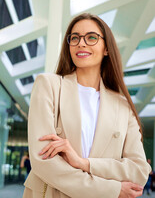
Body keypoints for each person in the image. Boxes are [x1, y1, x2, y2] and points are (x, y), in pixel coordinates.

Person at [23, 13, 151, 198]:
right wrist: (112, 189)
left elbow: (139, 171)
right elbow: (43, 161)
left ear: (106, 48)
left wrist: (84, 163)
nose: (81, 43)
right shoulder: (49, 85)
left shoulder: (122, 106)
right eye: (74, 38)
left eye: (91, 37)